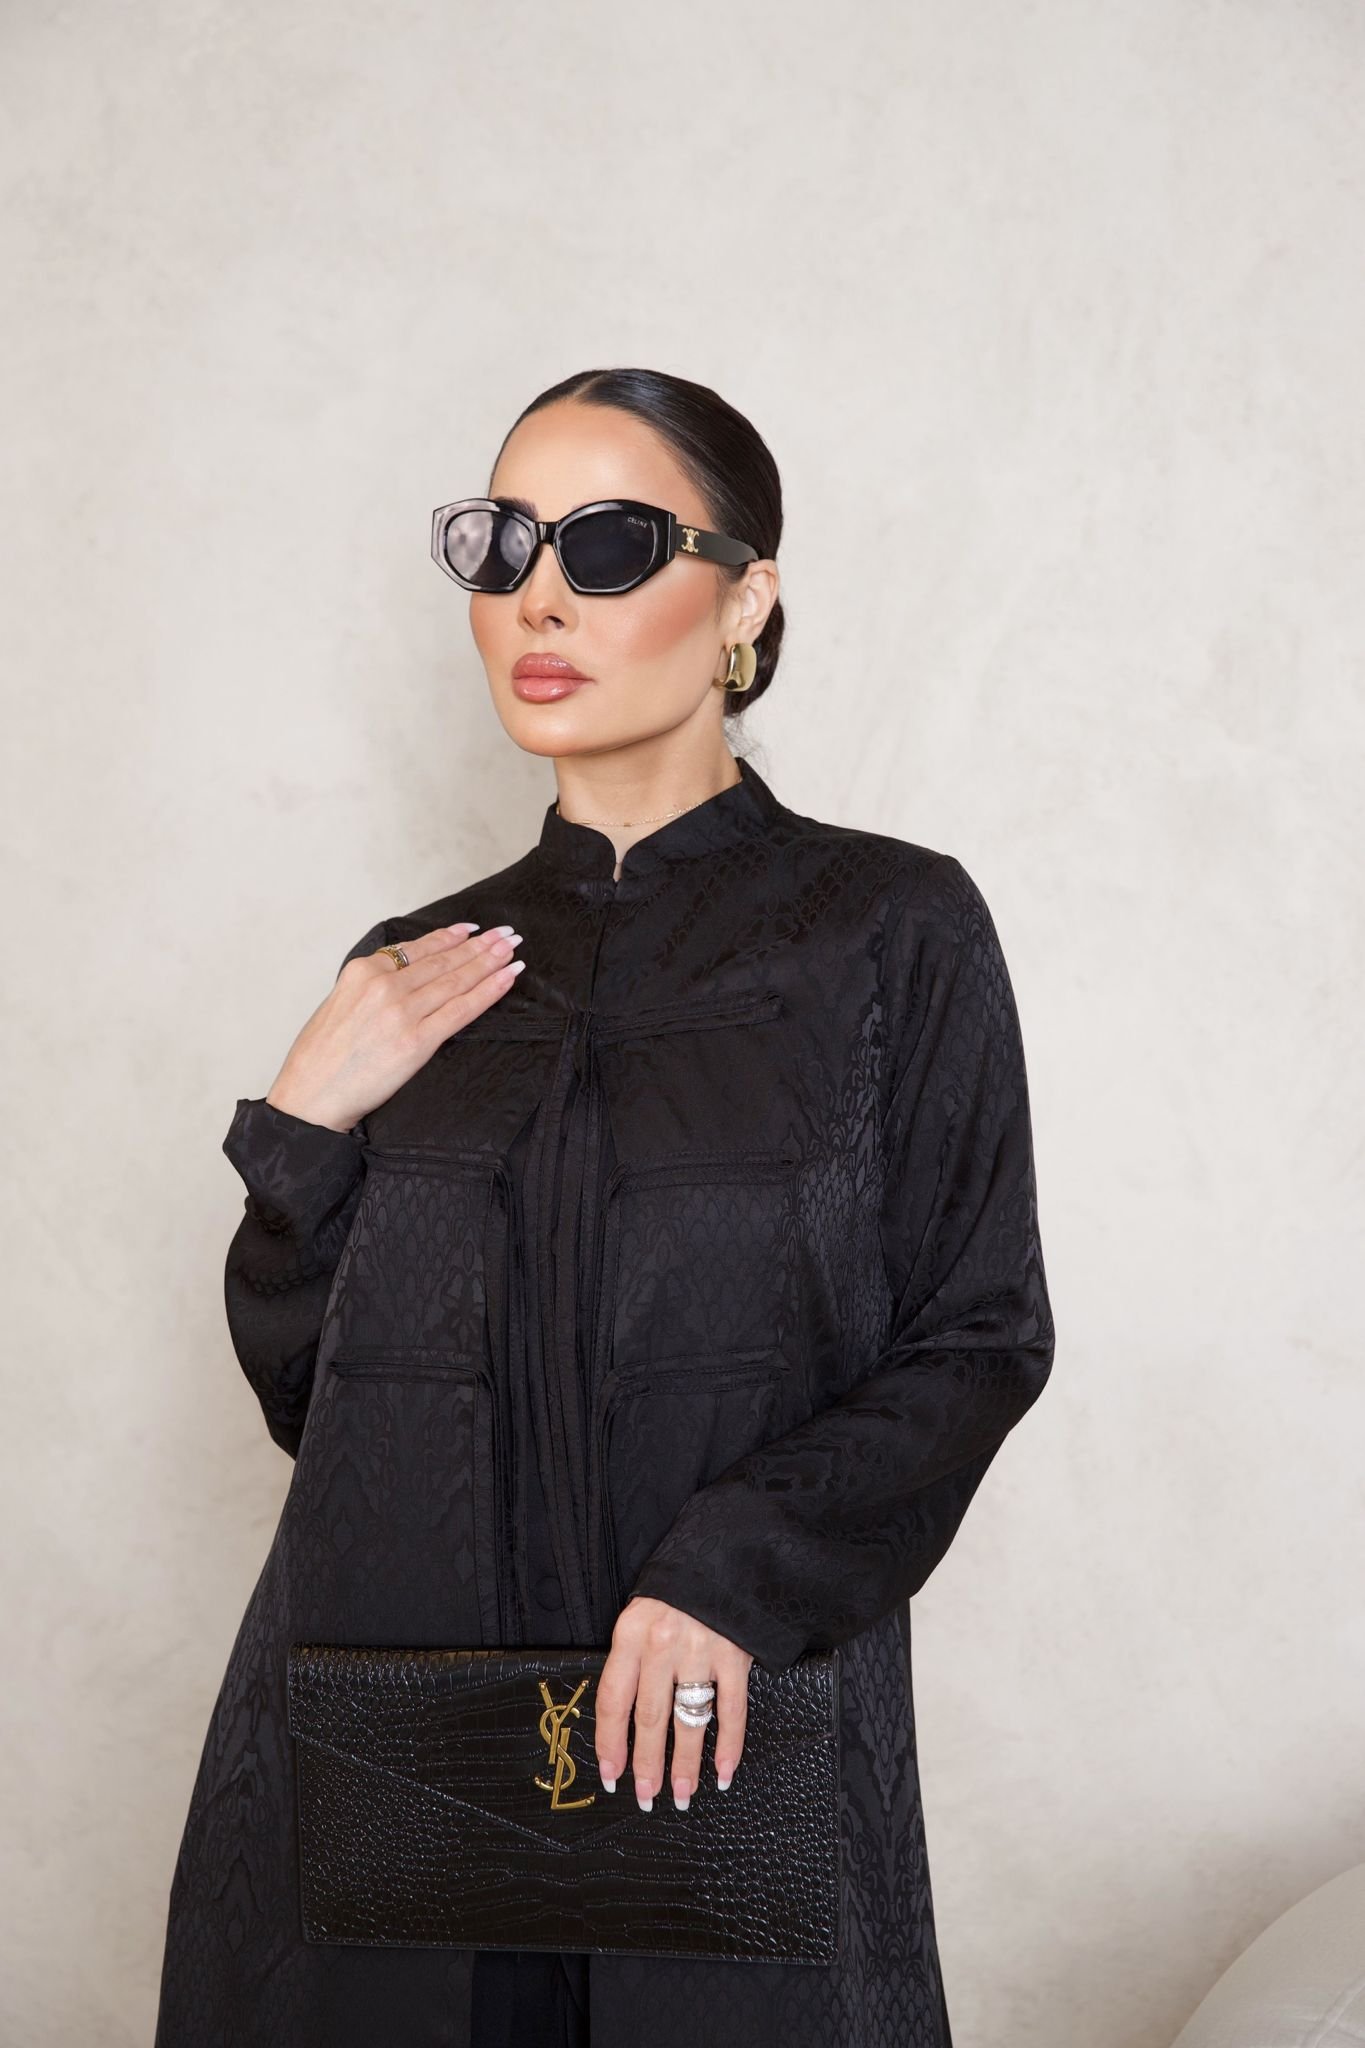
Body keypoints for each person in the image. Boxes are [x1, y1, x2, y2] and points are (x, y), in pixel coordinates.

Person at [153, 365, 1056, 2048]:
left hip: (717, 1735)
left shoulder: (888, 931)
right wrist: (303, 1125)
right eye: (501, 545)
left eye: (611, 543)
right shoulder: (416, 970)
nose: (539, 598)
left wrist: (733, 1575)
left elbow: (976, 1336)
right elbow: (313, 1402)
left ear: (745, 600)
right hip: (391, 1755)